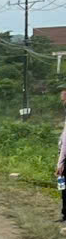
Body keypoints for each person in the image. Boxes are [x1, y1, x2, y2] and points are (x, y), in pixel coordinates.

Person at [56, 84, 66, 224]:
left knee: (63, 186)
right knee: (61, 185)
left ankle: (65, 214)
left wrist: (60, 163)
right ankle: (64, 213)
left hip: (64, 158)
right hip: (62, 155)